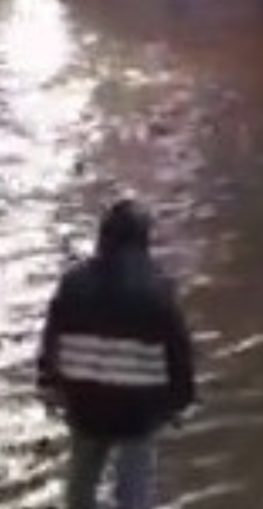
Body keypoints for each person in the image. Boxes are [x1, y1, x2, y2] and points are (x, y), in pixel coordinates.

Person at [38, 198, 196, 509]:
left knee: (82, 482)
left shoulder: (73, 282)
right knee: (134, 487)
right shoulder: (158, 288)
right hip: (137, 409)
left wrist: (49, 385)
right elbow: (178, 354)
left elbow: (51, 341)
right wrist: (179, 402)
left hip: (84, 403)